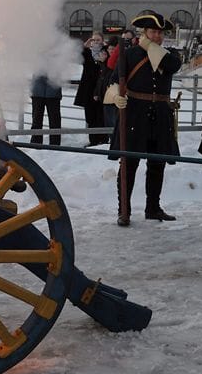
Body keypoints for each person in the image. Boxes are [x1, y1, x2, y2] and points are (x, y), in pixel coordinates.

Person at [109, 13, 181, 226]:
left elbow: (172, 66)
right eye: (153, 32)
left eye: (160, 32)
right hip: (135, 114)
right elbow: (112, 82)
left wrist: (149, 46)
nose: (157, 36)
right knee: (129, 164)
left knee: (157, 164)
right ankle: (124, 210)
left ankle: (153, 208)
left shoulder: (169, 55)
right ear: (145, 32)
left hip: (160, 115)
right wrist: (115, 96)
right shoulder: (130, 54)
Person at [75, 32, 108, 146]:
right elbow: (77, 56)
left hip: (101, 90)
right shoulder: (87, 53)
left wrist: (106, 48)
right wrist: (85, 46)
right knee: (90, 117)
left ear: (102, 41)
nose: (96, 42)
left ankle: (103, 140)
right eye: (94, 40)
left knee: (101, 116)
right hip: (88, 91)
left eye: (98, 40)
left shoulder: (105, 53)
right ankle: (93, 140)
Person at [30, 74, 62, 145]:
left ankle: (54, 145)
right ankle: (35, 144)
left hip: (52, 92)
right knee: (36, 121)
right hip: (39, 92)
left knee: (54, 122)